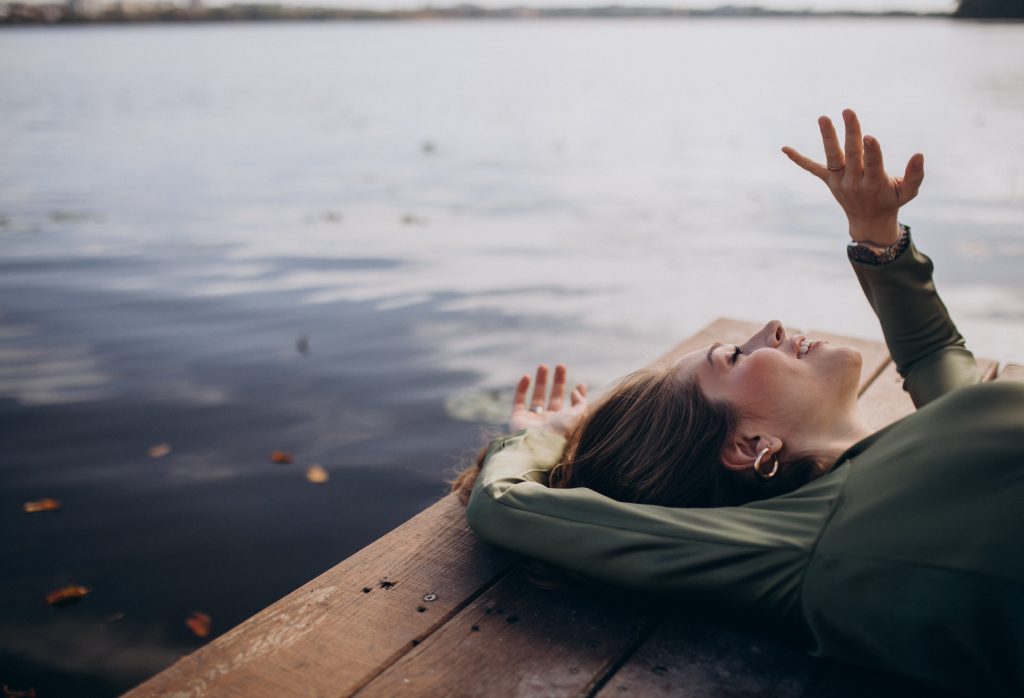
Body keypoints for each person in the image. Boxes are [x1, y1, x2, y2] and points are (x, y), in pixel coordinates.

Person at [450, 109, 1024, 696]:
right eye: (734, 356)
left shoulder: (913, 462)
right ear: (751, 446)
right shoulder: (805, 547)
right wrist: (549, 432)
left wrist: (876, 233)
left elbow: (935, 355)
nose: (770, 327)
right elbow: (506, 509)